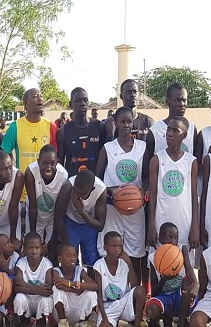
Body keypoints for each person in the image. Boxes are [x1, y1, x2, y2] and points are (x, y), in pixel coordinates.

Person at [95, 107, 147, 273]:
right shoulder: (108, 148)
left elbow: (147, 177)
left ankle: (135, 292)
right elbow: (97, 180)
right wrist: (112, 191)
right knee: (110, 252)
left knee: (136, 254)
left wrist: (141, 191)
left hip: (136, 209)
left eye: (129, 121)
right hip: (112, 208)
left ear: (133, 123)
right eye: (122, 121)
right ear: (116, 123)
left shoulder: (142, 147)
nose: (126, 125)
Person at [1, 88, 57, 226]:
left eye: (41, 96)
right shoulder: (16, 126)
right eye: (35, 96)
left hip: (46, 193)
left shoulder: (51, 126)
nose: (40, 99)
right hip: (22, 194)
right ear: (26, 103)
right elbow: (3, 154)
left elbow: (56, 157)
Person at [147, 117, 199, 257]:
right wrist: (151, 225)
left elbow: (194, 195)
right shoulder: (157, 159)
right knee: (159, 265)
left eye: (175, 130)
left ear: (184, 135)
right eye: (168, 129)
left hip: (184, 223)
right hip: (161, 221)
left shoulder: (191, 161)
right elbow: (152, 194)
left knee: (183, 268)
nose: (169, 133)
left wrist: (195, 226)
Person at [144, 223, 198, 327]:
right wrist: (163, 279)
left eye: (175, 238)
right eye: (169, 238)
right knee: (151, 309)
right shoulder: (153, 258)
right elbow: (154, 292)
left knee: (186, 283)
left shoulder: (182, 251)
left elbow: (190, 273)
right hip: (165, 297)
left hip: (181, 297)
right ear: (160, 239)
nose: (173, 241)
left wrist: (195, 285)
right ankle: (167, 324)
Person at [93, 231, 147, 327]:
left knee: (141, 291)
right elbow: (99, 295)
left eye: (119, 246)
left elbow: (135, 286)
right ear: (105, 247)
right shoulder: (99, 265)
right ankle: (113, 324)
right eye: (113, 246)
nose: (117, 249)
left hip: (123, 302)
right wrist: (105, 319)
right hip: (108, 307)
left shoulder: (124, 263)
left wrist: (129, 264)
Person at [54, 169, 107, 267]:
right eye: (75, 192)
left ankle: (91, 282)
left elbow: (100, 226)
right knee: (70, 258)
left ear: (92, 189)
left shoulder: (101, 190)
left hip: (89, 224)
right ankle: (72, 282)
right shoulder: (69, 186)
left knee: (91, 259)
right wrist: (66, 243)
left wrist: (81, 212)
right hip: (71, 222)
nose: (77, 196)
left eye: (82, 194)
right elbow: (58, 216)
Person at [51, 242, 99, 327]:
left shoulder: (79, 270)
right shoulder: (56, 270)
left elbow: (94, 285)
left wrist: (76, 285)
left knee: (91, 293)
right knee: (56, 289)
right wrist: (73, 287)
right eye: (68, 256)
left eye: (74, 255)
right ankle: (63, 324)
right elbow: (58, 284)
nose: (72, 259)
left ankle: (84, 324)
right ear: (60, 259)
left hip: (76, 309)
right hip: (61, 311)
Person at [25, 145, 68, 250]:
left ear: (57, 162)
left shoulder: (63, 175)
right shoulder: (30, 172)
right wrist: (33, 234)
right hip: (35, 214)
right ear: (38, 161)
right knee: (33, 247)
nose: (48, 167)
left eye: (52, 164)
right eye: (44, 163)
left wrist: (50, 240)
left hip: (53, 216)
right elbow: (33, 205)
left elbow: (59, 211)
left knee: (50, 248)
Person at [145, 83, 198, 168]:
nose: (182, 104)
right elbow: (148, 166)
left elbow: (195, 159)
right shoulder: (155, 131)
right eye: (177, 100)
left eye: (184, 100)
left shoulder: (191, 128)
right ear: (167, 102)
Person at [13, 232, 54, 327]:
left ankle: (41, 320)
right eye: (30, 248)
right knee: (19, 298)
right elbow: (17, 288)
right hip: (27, 299)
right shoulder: (21, 263)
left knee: (46, 300)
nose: (34, 251)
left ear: (41, 248)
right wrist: (38, 289)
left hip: (39, 299)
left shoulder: (47, 264)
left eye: (37, 247)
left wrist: (25, 285)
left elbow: (48, 290)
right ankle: (24, 318)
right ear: (25, 248)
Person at [57, 87, 103, 176]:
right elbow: (60, 165)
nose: (82, 104)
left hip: (96, 183)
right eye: (78, 101)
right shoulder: (63, 132)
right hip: (73, 184)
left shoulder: (99, 126)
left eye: (85, 100)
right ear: (71, 104)